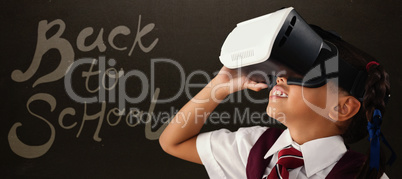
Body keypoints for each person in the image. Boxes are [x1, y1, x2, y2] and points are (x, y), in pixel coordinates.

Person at [159, 21, 394, 179]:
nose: (281, 78)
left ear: (341, 107)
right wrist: (218, 87)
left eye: (302, 72)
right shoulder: (253, 147)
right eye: (283, 69)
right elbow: (173, 142)